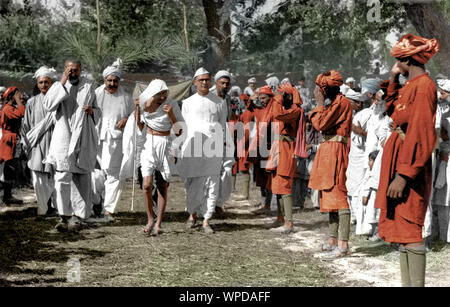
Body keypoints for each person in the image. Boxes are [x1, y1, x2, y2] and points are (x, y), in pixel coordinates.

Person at [375, 33, 439, 287]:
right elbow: (392, 110)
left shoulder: (424, 86)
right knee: (401, 227)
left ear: (408, 60)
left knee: (411, 225)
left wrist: (403, 175)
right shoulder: (410, 85)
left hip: (410, 165)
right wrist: (392, 78)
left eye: (398, 61)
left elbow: (421, 134)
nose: (395, 64)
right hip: (400, 158)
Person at [43, 59, 101, 232]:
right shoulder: (58, 86)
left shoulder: (88, 87)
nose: (72, 73)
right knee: (62, 177)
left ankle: (79, 216)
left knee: (82, 177)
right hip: (64, 135)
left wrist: (92, 112)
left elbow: (98, 111)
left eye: (75, 70)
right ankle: (63, 215)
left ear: (80, 70)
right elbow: (48, 105)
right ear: (65, 71)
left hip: (82, 135)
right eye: (69, 70)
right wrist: (61, 82)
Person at [177, 68, 228, 234]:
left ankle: (206, 219)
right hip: (193, 147)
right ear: (195, 82)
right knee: (193, 182)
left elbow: (222, 126)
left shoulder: (220, 102)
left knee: (212, 182)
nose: (204, 82)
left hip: (213, 147)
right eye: (201, 80)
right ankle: (192, 214)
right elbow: (184, 128)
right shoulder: (187, 103)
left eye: (207, 79)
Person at [308, 70, 353, 258]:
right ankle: (333, 240)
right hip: (328, 148)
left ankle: (343, 245)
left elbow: (320, 124)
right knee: (329, 195)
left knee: (338, 194)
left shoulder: (341, 102)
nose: (317, 92)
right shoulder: (333, 102)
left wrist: (319, 104)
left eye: (319, 89)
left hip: (336, 150)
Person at [135, 79, 183, 236]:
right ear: (153, 93)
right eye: (159, 93)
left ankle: (159, 223)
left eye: (165, 93)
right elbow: (141, 126)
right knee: (147, 185)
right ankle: (150, 219)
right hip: (149, 144)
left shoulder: (172, 105)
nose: (163, 96)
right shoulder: (145, 104)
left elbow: (179, 131)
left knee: (162, 184)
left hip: (165, 143)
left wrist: (171, 115)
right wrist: (137, 111)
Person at [95, 59, 134, 221]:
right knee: (97, 174)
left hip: (117, 140)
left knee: (113, 175)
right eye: (109, 80)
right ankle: (95, 203)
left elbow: (134, 114)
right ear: (105, 80)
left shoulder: (125, 97)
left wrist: (126, 118)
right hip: (97, 139)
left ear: (119, 81)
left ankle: (108, 210)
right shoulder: (96, 94)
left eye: (115, 81)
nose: (112, 83)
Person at [266, 82, 306, 234]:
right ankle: (280, 218)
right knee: (277, 185)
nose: (278, 97)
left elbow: (277, 115)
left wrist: (276, 99)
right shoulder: (284, 108)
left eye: (281, 94)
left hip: (286, 148)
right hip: (278, 147)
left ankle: (289, 223)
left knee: (285, 185)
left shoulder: (295, 110)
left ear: (288, 96)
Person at [21, 66, 58, 215]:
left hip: (53, 142)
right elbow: (27, 126)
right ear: (37, 84)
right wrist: (27, 143)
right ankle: (43, 208)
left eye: (46, 82)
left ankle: (54, 206)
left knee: (53, 174)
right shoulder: (31, 102)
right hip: (36, 143)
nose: (43, 85)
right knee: (38, 176)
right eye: (41, 82)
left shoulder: (57, 101)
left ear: (51, 83)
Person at [345, 89, 371, 225]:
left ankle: (358, 218)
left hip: (361, 156)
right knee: (351, 186)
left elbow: (365, 137)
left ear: (358, 103)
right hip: (355, 156)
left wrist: (359, 131)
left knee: (357, 188)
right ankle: (355, 216)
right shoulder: (357, 114)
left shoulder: (364, 115)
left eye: (349, 102)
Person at [211, 70, 234, 216]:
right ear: (216, 82)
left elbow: (228, 118)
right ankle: (208, 204)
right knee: (210, 171)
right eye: (222, 83)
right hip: (210, 136)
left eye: (227, 83)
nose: (225, 86)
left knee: (226, 170)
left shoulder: (227, 98)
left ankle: (219, 203)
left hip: (225, 134)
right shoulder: (209, 96)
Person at [250, 85, 275, 213]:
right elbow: (249, 106)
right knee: (260, 175)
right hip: (260, 146)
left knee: (268, 175)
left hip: (270, 148)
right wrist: (251, 98)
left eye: (264, 98)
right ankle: (264, 201)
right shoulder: (260, 110)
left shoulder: (275, 110)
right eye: (260, 98)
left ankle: (268, 204)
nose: (262, 100)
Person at [0, 86, 26, 204]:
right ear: (11, 96)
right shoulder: (7, 109)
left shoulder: (9, 108)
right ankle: (7, 196)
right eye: (17, 95)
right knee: (9, 166)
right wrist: (19, 101)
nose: (20, 97)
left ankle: (7, 195)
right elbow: (22, 112)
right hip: (9, 139)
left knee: (10, 168)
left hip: (12, 138)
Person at [430, 118, 450, 243]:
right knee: (439, 209)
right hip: (440, 182)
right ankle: (439, 236)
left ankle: (444, 238)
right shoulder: (441, 145)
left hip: (445, 181)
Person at [355, 150, 380, 239]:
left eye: (370, 160)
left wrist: (366, 195)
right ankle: (367, 234)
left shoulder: (376, 172)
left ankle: (372, 234)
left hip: (371, 198)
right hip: (367, 199)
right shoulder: (369, 171)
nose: (368, 163)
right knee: (368, 217)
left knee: (373, 218)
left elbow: (370, 184)